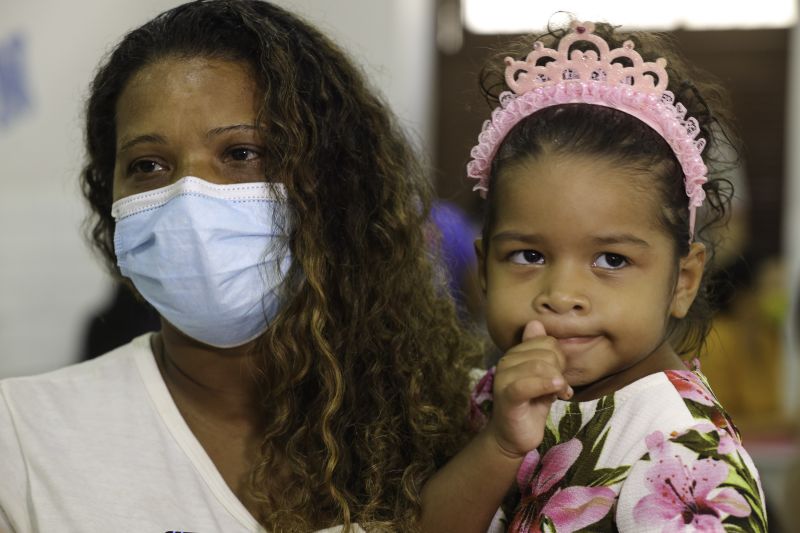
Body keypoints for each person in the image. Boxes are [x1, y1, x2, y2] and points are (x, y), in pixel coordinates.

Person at [0, 1, 483, 531]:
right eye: (148, 165)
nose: (189, 199)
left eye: (242, 153)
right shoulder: (22, 438)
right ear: (109, 200)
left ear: (337, 183)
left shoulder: (475, 421)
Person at [420, 20, 767, 532]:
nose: (561, 295)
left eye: (611, 261)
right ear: (485, 269)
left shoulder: (686, 453)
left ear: (683, 281)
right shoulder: (488, 396)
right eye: (528, 256)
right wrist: (499, 444)